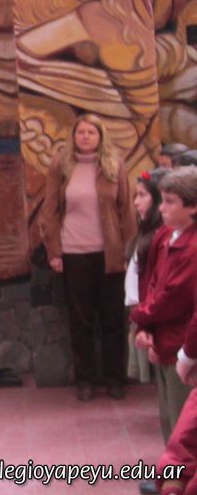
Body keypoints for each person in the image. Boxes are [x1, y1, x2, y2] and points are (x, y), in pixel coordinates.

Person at [40, 114, 136, 401]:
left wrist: (129, 252)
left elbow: (127, 211)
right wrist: (54, 252)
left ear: (100, 136)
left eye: (91, 132)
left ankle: (115, 378)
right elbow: (49, 211)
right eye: (80, 132)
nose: (85, 137)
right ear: (73, 137)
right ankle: (85, 379)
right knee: (81, 320)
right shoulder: (61, 166)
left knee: (112, 319)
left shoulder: (114, 165)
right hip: (74, 253)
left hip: (110, 255)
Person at [130, 168, 197, 443]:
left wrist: (139, 317)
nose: (161, 208)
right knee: (169, 420)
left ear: (193, 206)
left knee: (183, 429)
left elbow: (173, 298)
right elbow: (154, 283)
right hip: (165, 340)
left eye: (170, 202)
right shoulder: (170, 237)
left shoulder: (192, 248)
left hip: (182, 344)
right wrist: (146, 328)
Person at [126, 168, 170, 386]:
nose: (136, 202)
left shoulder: (160, 238)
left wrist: (146, 320)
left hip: (153, 318)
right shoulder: (145, 234)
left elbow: (157, 286)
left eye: (142, 195)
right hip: (142, 315)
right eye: (136, 195)